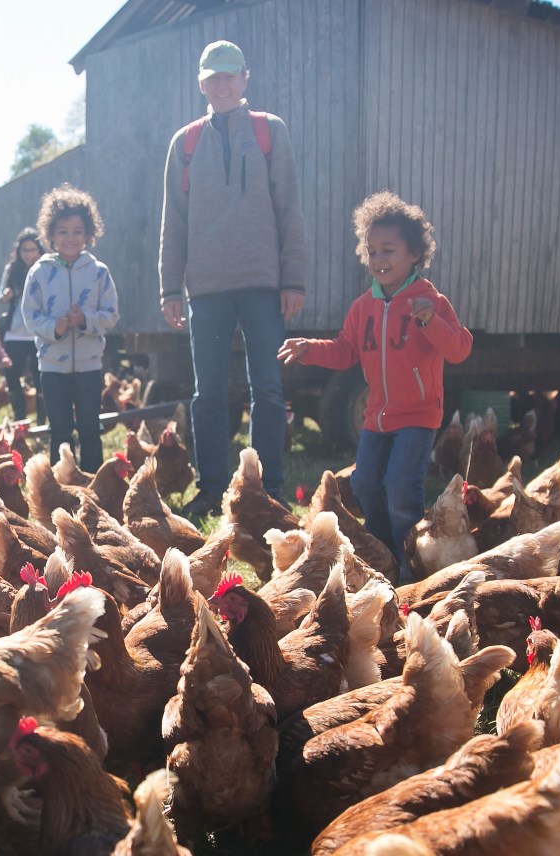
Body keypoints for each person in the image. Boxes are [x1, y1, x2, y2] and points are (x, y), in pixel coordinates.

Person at [278, 192, 472, 567]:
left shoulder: (429, 300)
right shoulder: (363, 306)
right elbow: (346, 350)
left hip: (417, 416)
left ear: (414, 253)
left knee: (401, 490)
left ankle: (409, 560)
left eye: (389, 250)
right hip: (376, 417)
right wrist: (310, 348)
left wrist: (431, 320)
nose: (379, 260)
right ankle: (384, 552)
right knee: (365, 484)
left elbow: (460, 349)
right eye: (372, 252)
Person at [160, 39, 308, 519]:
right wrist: (169, 286)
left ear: (245, 78)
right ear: (201, 83)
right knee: (208, 392)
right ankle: (212, 487)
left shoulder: (269, 132)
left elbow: (290, 209)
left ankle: (268, 489)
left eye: (229, 75)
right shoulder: (184, 143)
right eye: (212, 77)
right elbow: (174, 221)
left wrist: (294, 281)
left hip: (264, 283)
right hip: (206, 287)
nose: (221, 84)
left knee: (266, 387)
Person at [23, 185, 118, 473]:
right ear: (50, 234)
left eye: (77, 231)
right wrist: (57, 326)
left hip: (89, 365)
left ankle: (95, 486)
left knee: (90, 428)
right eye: (63, 231)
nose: (70, 238)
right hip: (53, 367)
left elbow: (111, 315)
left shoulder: (99, 271)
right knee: (60, 430)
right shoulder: (39, 272)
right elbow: (31, 316)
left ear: (89, 234)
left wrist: (84, 321)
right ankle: (58, 488)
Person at [0, 227, 45, 423]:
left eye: (33, 250)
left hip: (38, 332)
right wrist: (6, 295)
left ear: (39, 250)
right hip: (15, 331)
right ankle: (20, 419)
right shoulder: (12, 269)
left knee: (40, 376)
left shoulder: (46, 269)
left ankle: (42, 419)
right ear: (19, 251)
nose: (29, 254)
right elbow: (0, 296)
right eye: (25, 250)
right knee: (12, 376)